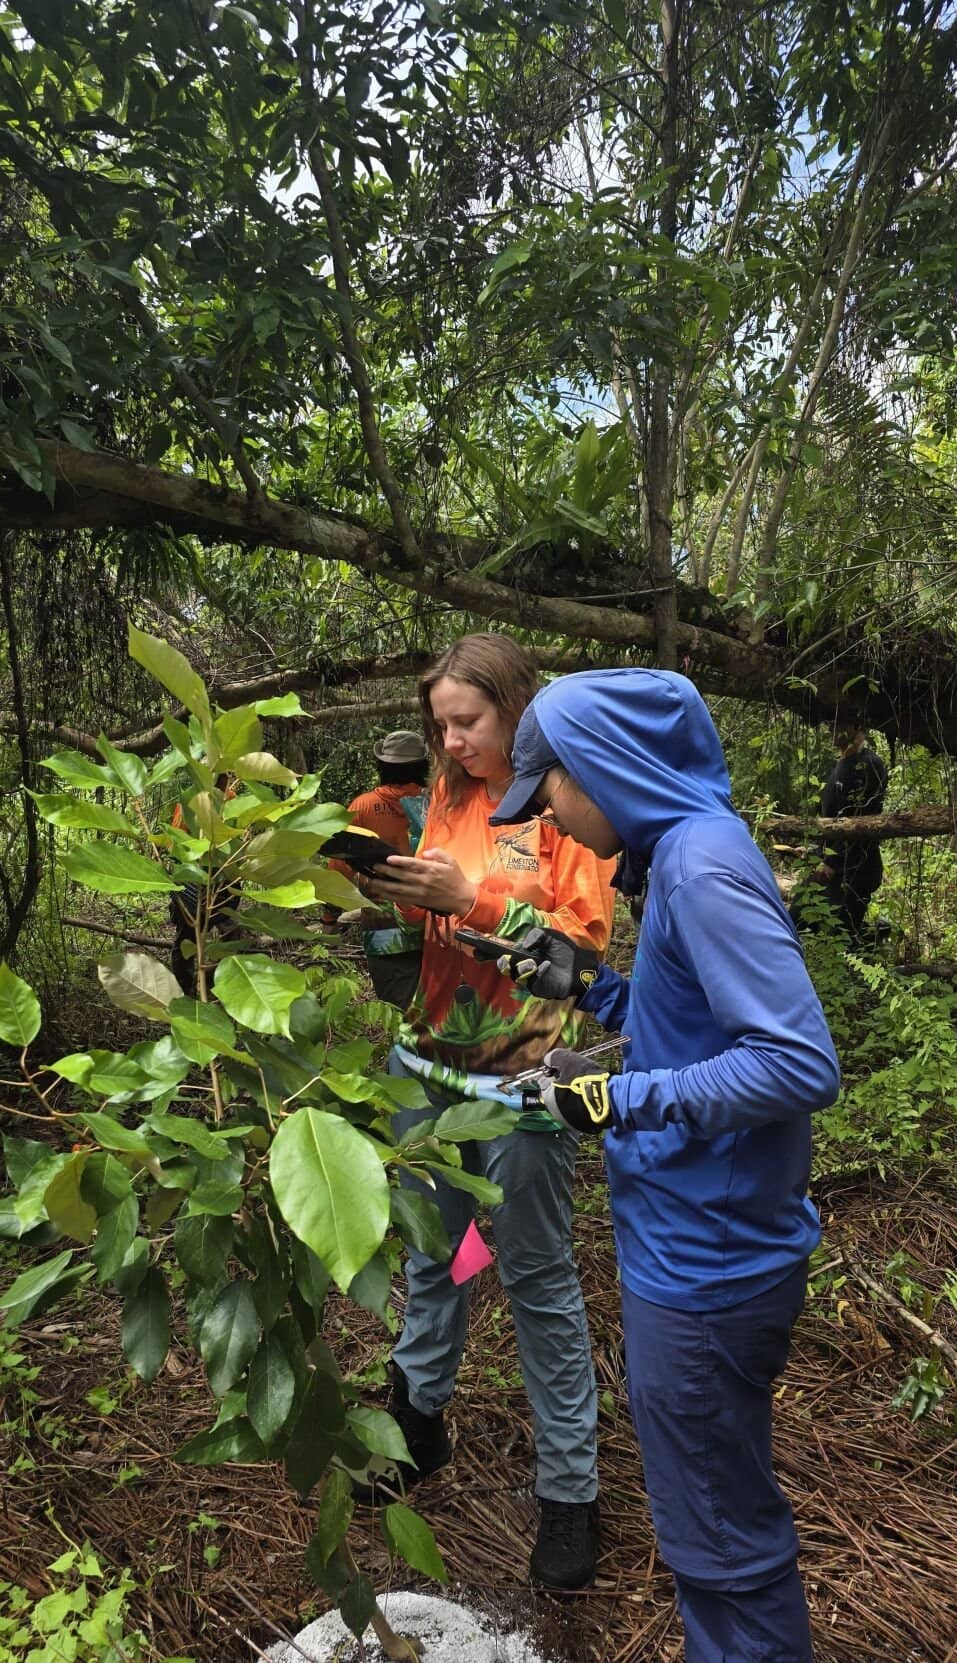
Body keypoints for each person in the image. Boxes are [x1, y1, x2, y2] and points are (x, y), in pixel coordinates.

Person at [483, 668, 840, 1663]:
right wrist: (594, 991)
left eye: (548, 789)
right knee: (709, 1522)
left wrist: (609, 1097)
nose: (547, 817)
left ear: (600, 771)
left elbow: (793, 1060)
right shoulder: (682, 855)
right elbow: (691, 1025)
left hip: (708, 1265)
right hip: (692, 1246)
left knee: (718, 1539)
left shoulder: (698, 871)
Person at [363, 634, 616, 1590]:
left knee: (537, 1275)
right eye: (441, 724)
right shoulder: (443, 801)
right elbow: (423, 928)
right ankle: (417, 1422)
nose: (453, 738)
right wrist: (383, 900)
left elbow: (582, 946)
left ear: (516, 706)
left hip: (522, 1084)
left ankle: (568, 1489)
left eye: (467, 720)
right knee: (434, 1250)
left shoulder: (567, 806)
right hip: (425, 1066)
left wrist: (469, 899)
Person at [326, 730, 430, 1009]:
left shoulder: (364, 806)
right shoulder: (437, 804)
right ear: (422, 766)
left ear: (383, 767)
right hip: (435, 930)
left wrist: (328, 918)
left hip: (386, 935)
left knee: (400, 1012)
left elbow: (338, 870)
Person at [802, 721, 889, 942]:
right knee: (800, 920)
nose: (829, 729)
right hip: (833, 866)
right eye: (829, 723)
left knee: (840, 938)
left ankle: (876, 939)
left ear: (856, 726)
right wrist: (817, 849)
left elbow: (862, 821)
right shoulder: (843, 762)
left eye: (837, 723)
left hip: (855, 870)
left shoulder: (869, 765)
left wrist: (832, 861)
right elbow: (834, 818)